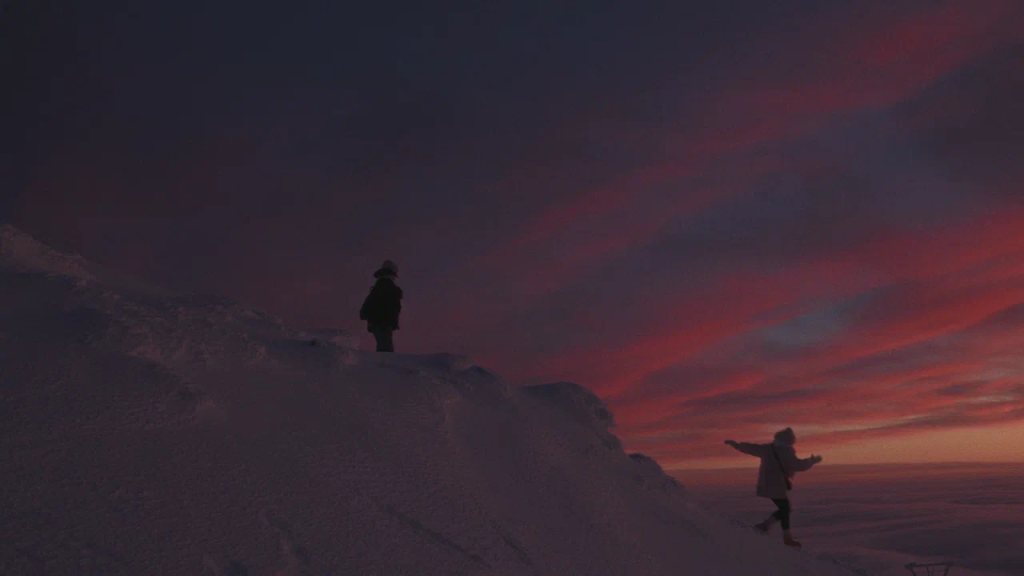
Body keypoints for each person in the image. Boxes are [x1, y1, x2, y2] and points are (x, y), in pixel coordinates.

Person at [724, 428, 823, 548]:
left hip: (766, 484)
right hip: (777, 485)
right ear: (789, 440)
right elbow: (798, 465)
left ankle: (769, 528)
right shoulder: (786, 451)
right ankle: (780, 534)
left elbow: (751, 448)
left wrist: (736, 445)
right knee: (785, 509)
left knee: (785, 508)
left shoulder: (768, 448)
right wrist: (812, 461)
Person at [359, 260, 403, 352]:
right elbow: (389, 306)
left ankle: (384, 364)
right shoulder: (386, 285)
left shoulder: (381, 285)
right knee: (386, 349)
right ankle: (385, 365)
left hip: (380, 322)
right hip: (383, 322)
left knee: (384, 346)